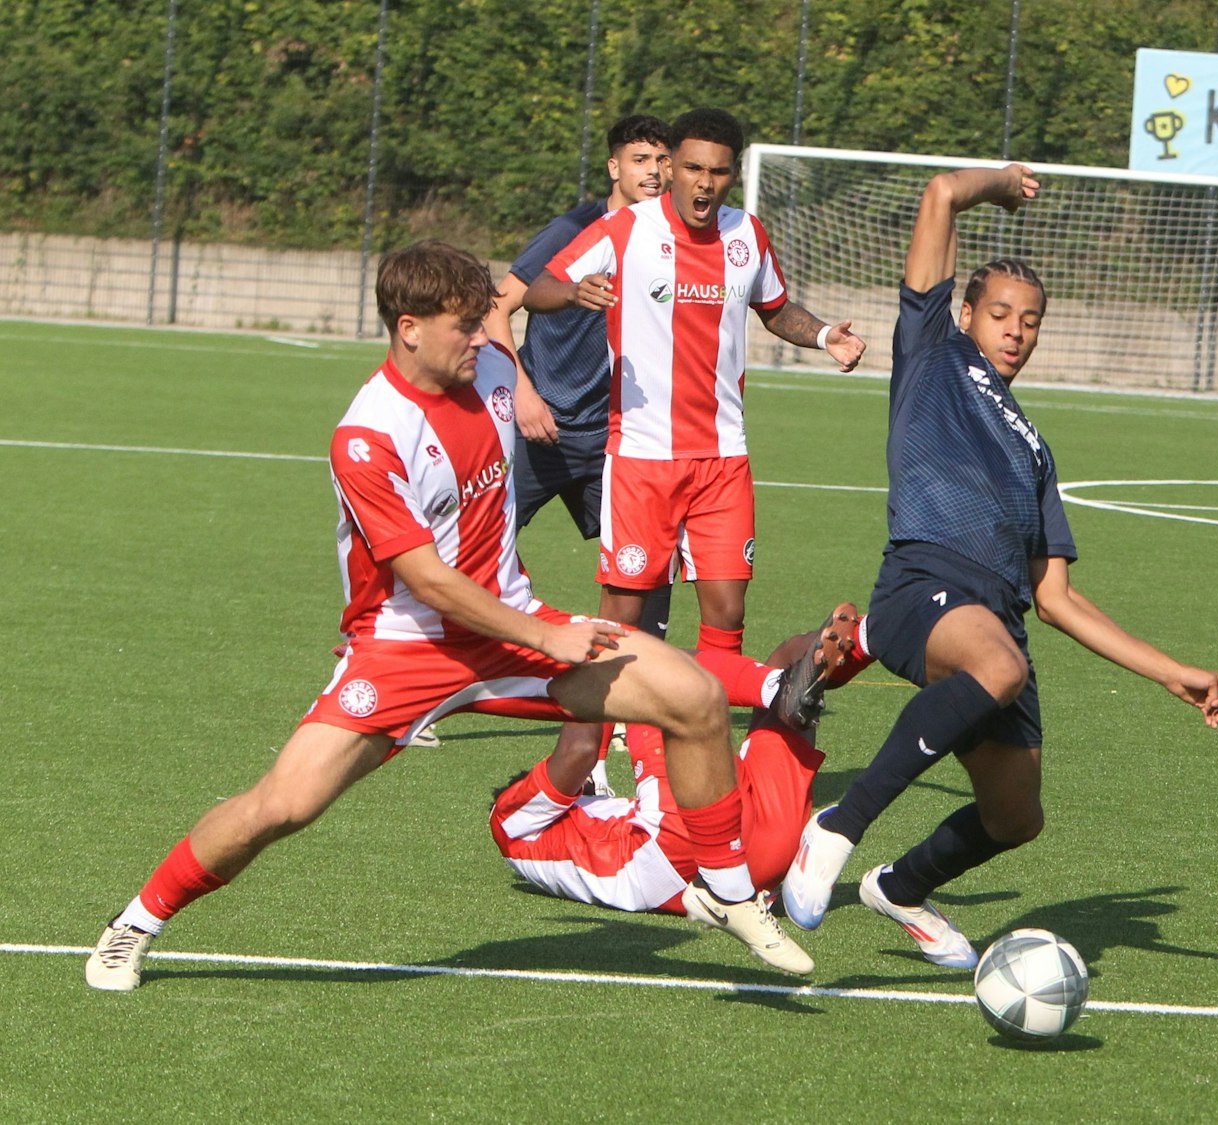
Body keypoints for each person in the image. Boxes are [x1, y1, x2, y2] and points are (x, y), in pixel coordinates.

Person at [84, 241, 813, 991]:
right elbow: (428, 581)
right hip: (407, 650)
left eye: (482, 320)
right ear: (408, 328)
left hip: (512, 628)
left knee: (694, 697)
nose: (482, 335)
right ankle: (136, 921)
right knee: (280, 807)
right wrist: (547, 635)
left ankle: (728, 892)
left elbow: (537, 308)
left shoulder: (492, 369)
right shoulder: (368, 436)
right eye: (465, 325)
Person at [779, 163, 1218, 968]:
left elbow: (1057, 597)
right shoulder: (933, 352)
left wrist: (1170, 671)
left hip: (999, 623)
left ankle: (901, 887)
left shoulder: (1035, 450)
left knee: (1016, 816)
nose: (1016, 330)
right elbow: (939, 196)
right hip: (923, 582)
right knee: (997, 664)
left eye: (1030, 320)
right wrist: (994, 187)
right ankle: (837, 827)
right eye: (999, 314)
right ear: (965, 313)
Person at [524, 106, 866, 659]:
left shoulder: (747, 234)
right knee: (624, 612)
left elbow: (775, 309)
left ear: (733, 175)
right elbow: (539, 287)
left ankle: (713, 711)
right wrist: (572, 292)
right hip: (643, 457)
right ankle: (619, 711)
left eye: (719, 171)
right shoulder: (624, 228)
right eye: (693, 168)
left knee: (728, 612)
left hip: (723, 457)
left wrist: (826, 335)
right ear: (672, 168)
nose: (705, 183)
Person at [406, 115, 672, 763]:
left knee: (647, 568)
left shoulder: (668, 239)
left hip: (614, 438)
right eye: (640, 159)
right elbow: (500, 305)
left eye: (662, 160)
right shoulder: (574, 228)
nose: (654, 172)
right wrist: (522, 393)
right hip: (540, 429)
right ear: (614, 167)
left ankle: (633, 702)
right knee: (459, 558)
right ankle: (413, 694)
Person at [492, 615, 856, 914]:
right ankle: (863, 640)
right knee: (645, 678)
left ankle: (867, 638)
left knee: (790, 661)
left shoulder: (562, 834)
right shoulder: (506, 819)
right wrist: (584, 665)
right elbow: (579, 751)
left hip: (763, 861)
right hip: (675, 854)